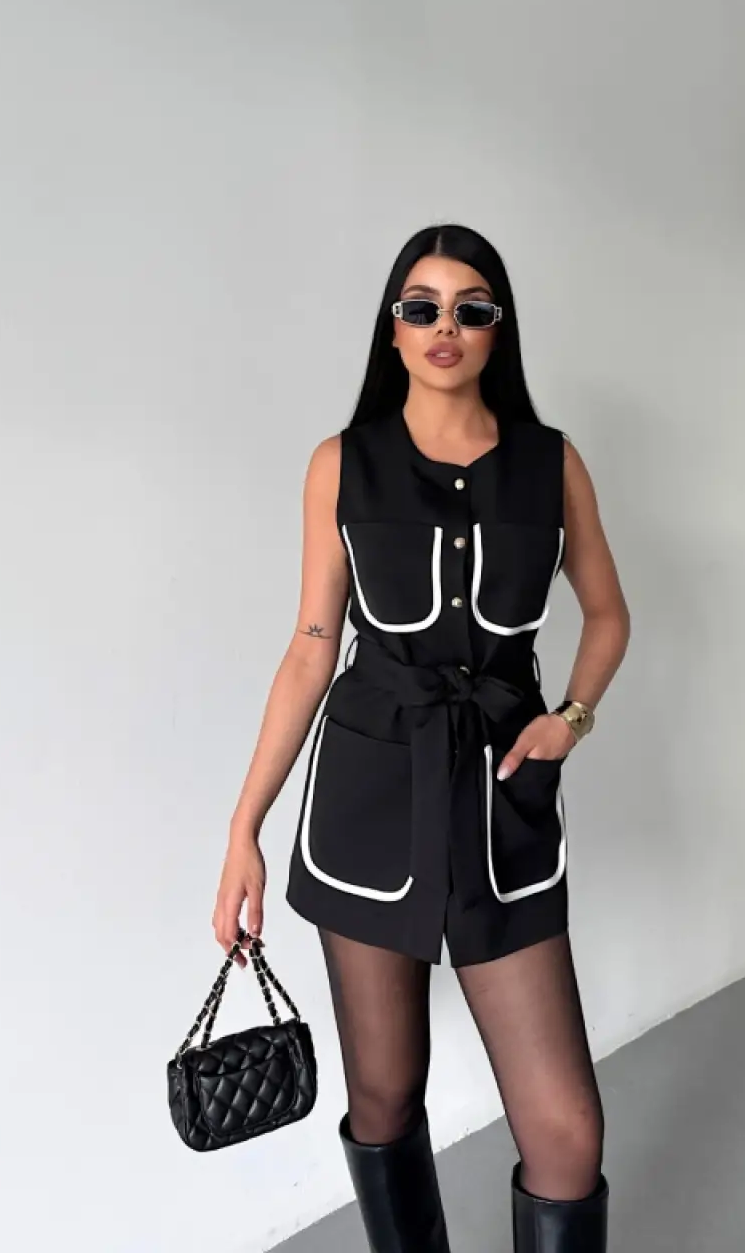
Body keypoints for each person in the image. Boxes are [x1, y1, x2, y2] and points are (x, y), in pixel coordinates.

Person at [213, 223, 631, 1252]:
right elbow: (312, 647)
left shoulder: (551, 464)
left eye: (470, 308)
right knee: (386, 1094)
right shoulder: (340, 465)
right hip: (366, 798)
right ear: (393, 330)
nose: (445, 325)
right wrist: (244, 827)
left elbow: (608, 614)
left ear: (498, 330)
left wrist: (571, 718)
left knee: (566, 1131)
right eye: (422, 306)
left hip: (502, 799)